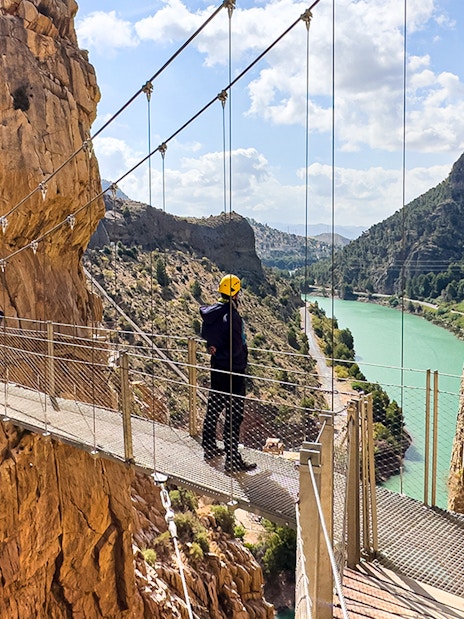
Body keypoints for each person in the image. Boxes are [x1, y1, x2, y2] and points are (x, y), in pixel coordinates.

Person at [200, 274, 256, 473]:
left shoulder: (211, 313)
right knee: (234, 415)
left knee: (214, 407)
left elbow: (204, 335)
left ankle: (208, 447)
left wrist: (212, 348)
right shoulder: (231, 317)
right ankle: (232, 460)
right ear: (235, 293)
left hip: (217, 367)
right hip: (234, 371)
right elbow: (236, 348)